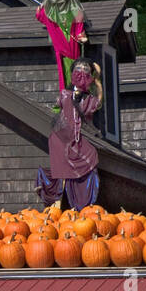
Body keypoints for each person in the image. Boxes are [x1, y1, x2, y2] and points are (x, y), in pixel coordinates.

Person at [36, 59, 103, 209]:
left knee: (91, 156)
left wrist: (97, 81)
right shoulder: (65, 94)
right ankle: (56, 203)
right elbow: (58, 106)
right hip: (62, 136)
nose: (82, 71)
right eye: (78, 68)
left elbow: (98, 103)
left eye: (85, 69)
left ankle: (84, 204)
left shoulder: (88, 99)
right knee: (63, 171)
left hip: (77, 138)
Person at [36, 0, 88, 94]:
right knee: (64, 70)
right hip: (60, 44)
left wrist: (80, 34)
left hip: (72, 43)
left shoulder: (73, 5)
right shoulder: (48, 9)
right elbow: (41, 16)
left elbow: (79, 20)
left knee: (75, 65)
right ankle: (67, 94)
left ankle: (78, 90)